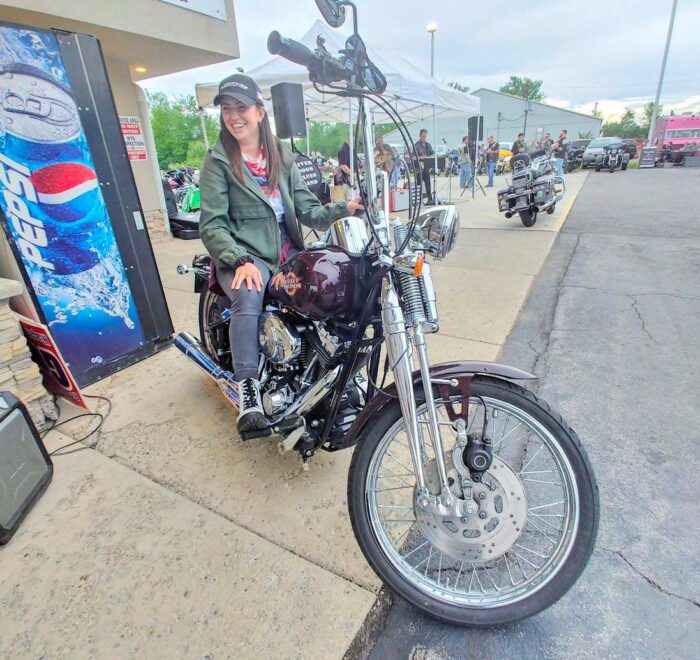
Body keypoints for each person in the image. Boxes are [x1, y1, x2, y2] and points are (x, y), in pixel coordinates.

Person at [198, 73, 364, 433]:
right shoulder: (217, 162)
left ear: (259, 112)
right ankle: (249, 390)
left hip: (287, 250)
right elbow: (212, 225)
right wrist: (238, 259)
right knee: (249, 292)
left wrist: (344, 208)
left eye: (240, 107)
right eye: (226, 109)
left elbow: (307, 211)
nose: (233, 116)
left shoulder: (281, 156)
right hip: (242, 252)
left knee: (330, 285)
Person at [413, 129, 435, 203]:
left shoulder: (428, 145)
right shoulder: (416, 145)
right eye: (423, 136)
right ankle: (418, 200)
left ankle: (430, 199)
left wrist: (432, 155)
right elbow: (413, 157)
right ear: (420, 136)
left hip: (426, 166)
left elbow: (432, 153)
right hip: (419, 167)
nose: (424, 138)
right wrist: (420, 157)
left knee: (428, 183)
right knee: (419, 183)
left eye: (425, 137)